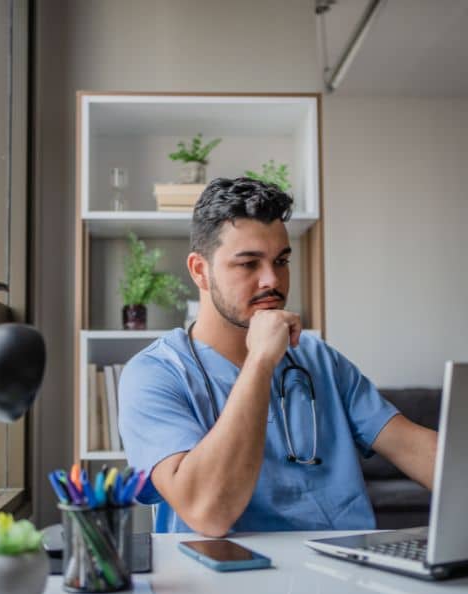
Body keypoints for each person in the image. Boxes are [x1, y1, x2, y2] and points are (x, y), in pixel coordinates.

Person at [118, 177, 438, 536]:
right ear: (199, 271)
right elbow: (207, 512)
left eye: (281, 261)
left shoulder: (318, 359)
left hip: (342, 572)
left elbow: (413, 447)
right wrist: (260, 362)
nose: (272, 280)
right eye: (248, 264)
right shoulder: (154, 374)